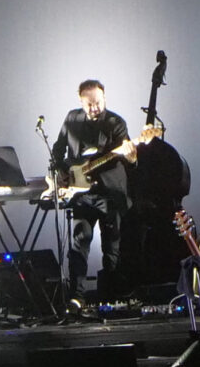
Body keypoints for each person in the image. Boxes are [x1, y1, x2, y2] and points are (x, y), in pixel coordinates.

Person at [51, 79, 137, 307]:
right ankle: (76, 297)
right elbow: (57, 150)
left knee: (112, 248)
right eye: (89, 104)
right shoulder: (72, 119)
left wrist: (132, 156)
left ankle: (110, 298)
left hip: (110, 194)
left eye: (98, 103)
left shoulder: (116, 123)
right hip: (82, 193)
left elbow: (128, 162)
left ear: (104, 98)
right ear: (81, 102)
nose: (94, 108)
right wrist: (60, 174)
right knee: (80, 243)